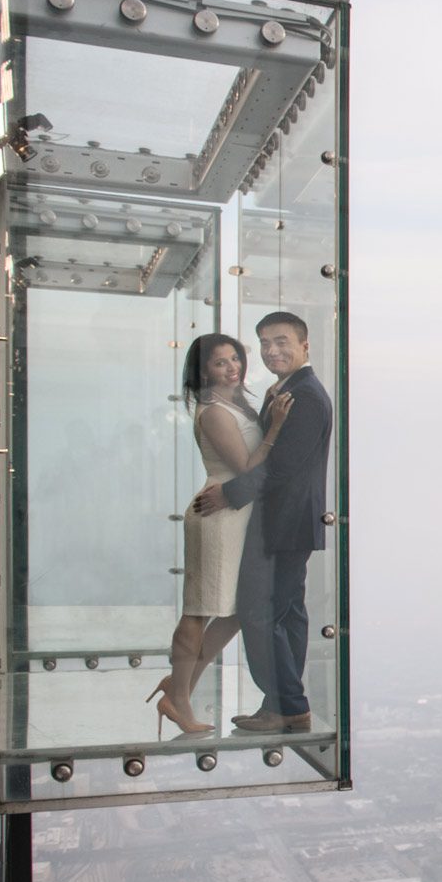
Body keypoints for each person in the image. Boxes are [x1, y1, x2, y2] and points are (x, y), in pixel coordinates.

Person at [192, 311, 333, 733]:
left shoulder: (304, 395)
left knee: (259, 611)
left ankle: (286, 705)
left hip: (284, 521)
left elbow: (282, 467)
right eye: (266, 343)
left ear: (305, 346)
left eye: (282, 341)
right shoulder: (285, 390)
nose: (273, 350)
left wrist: (229, 494)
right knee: (286, 613)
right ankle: (284, 702)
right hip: (287, 520)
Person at [150, 333, 292, 736]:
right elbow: (246, 466)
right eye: (220, 362)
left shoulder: (237, 402)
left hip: (237, 516)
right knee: (200, 610)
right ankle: (178, 698)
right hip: (218, 517)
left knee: (232, 614)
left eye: (235, 359)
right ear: (202, 370)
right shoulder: (212, 411)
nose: (232, 367)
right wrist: (276, 426)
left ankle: (179, 688)